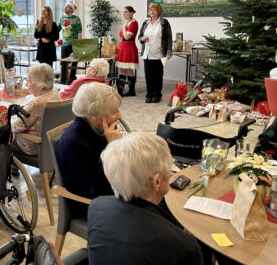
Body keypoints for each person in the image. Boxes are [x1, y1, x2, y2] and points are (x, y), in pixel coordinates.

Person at [88, 132, 203, 265]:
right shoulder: (182, 245)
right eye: (170, 167)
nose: (171, 173)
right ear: (157, 182)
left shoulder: (97, 206)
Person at [55, 82, 122, 202]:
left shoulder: (103, 129)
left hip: (115, 192)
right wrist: (114, 148)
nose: (119, 115)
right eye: (113, 112)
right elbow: (101, 190)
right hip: (93, 205)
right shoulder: (74, 143)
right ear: (94, 115)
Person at [11, 63, 61, 155]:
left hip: (31, 147)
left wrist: (9, 118)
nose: (26, 84)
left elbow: (15, 127)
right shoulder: (55, 94)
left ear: (40, 84)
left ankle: (12, 168)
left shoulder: (37, 103)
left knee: (1, 141)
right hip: (51, 144)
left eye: (29, 81)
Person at [138, 2, 172, 104]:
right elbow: (139, 36)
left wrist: (169, 52)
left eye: (154, 9)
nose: (152, 11)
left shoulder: (164, 23)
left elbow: (169, 38)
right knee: (148, 76)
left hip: (159, 54)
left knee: (158, 76)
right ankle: (149, 94)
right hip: (147, 54)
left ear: (159, 11)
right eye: (150, 10)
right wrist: (142, 39)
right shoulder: (145, 23)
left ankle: (157, 95)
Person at [116, 5, 139, 97]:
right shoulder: (126, 23)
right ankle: (120, 91)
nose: (124, 14)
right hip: (123, 47)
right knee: (122, 69)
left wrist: (124, 28)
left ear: (131, 13)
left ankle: (131, 90)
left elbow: (126, 36)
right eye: (123, 12)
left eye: (125, 12)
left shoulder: (134, 23)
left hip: (129, 47)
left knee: (128, 69)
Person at [58, 1, 82, 85]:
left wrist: (79, 44)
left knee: (74, 62)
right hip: (65, 44)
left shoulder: (77, 19)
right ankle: (63, 80)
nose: (65, 8)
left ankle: (72, 78)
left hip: (74, 44)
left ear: (71, 9)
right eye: (65, 6)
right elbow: (57, 29)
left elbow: (79, 32)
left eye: (67, 6)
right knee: (63, 63)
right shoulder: (62, 18)